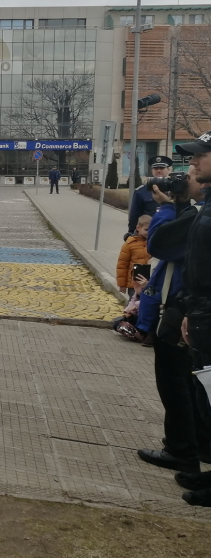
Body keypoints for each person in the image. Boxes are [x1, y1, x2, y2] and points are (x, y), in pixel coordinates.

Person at [135, 166, 208, 475]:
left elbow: (160, 243)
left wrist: (166, 206)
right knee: (192, 385)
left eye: (193, 170)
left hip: (184, 308)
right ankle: (199, 446)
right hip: (188, 307)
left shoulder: (199, 216)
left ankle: (181, 450)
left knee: (176, 382)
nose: (188, 176)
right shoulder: (196, 212)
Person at [167, 133, 211, 506]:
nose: (192, 165)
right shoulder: (207, 205)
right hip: (200, 312)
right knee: (206, 400)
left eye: (200, 157)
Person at [128, 155, 172, 235]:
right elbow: (134, 215)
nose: (158, 171)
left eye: (161, 168)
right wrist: (131, 233)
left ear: (168, 170)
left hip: (170, 232)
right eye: (155, 168)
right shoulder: (141, 191)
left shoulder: (175, 190)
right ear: (152, 170)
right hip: (148, 234)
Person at [116, 215, 151, 297]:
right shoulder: (129, 244)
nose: (149, 232)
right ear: (138, 228)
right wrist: (122, 284)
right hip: (134, 284)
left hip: (149, 282)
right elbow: (122, 265)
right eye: (146, 229)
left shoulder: (153, 243)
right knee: (133, 304)